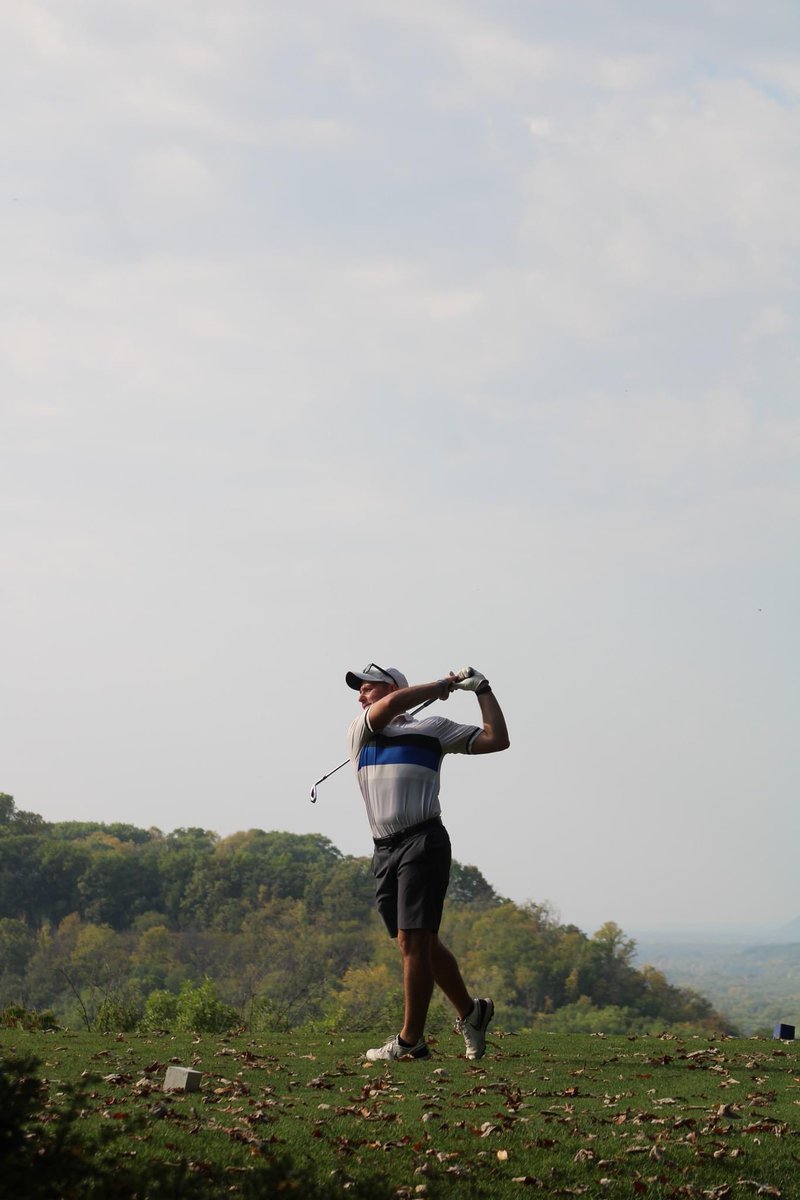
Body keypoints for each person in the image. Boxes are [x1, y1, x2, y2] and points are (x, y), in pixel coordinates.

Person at [345, 662, 510, 1061]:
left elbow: (496, 739)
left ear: (391, 688)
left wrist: (482, 689)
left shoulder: (432, 728)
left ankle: (410, 1043)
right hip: (384, 849)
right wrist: (438, 685)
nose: (361, 696)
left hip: (423, 839)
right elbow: (390, 707)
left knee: (413, 941)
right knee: (420, 943)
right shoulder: (361, 731)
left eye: (368, 688)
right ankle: (472, 1013)